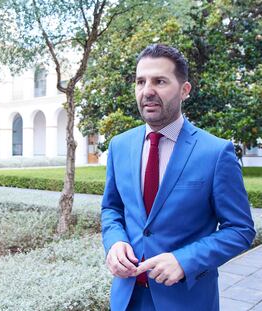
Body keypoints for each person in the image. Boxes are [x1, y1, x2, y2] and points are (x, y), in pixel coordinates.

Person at [101, 44, 255, 311]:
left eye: (160, 81)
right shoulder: (119, 145)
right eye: (140, 81)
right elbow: (112, 208)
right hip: (126, 299)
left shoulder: (216, 153)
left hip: (187, 300)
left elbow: (240, 230)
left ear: (185, 90)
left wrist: (185, 260)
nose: (147, 91)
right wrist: (115, 242)